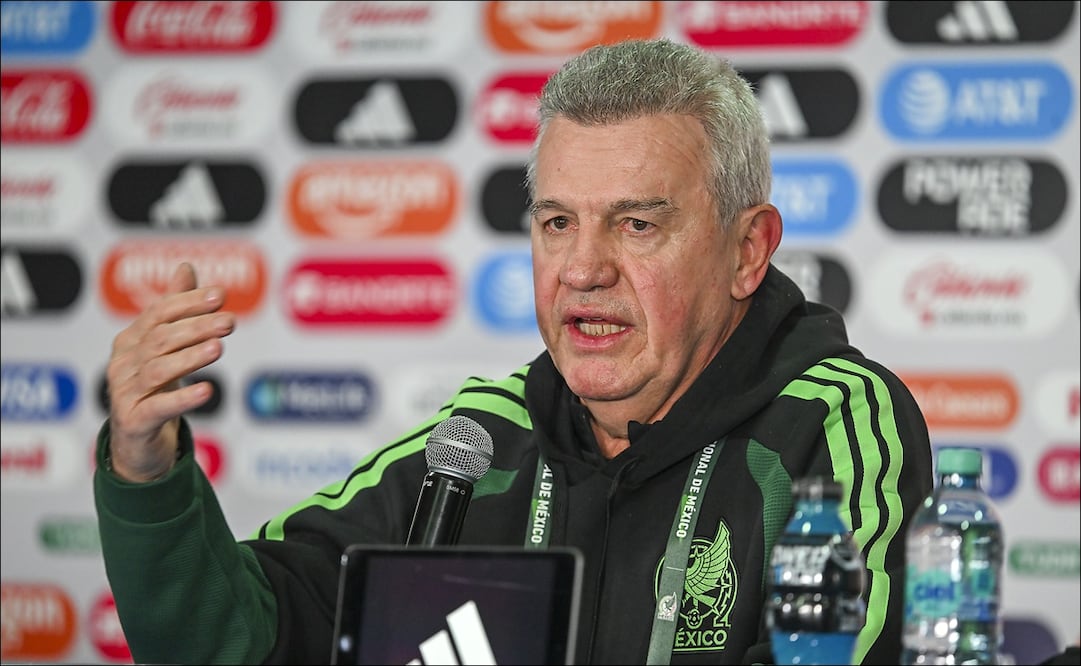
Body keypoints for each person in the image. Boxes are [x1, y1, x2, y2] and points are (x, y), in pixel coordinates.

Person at [94, 37, 933, 664]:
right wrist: (145, 473)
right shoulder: (481, 442)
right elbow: (248, 633)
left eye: (636, 224)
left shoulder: (832, 424)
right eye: (557, 222)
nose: (583, 269)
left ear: (747, 251)